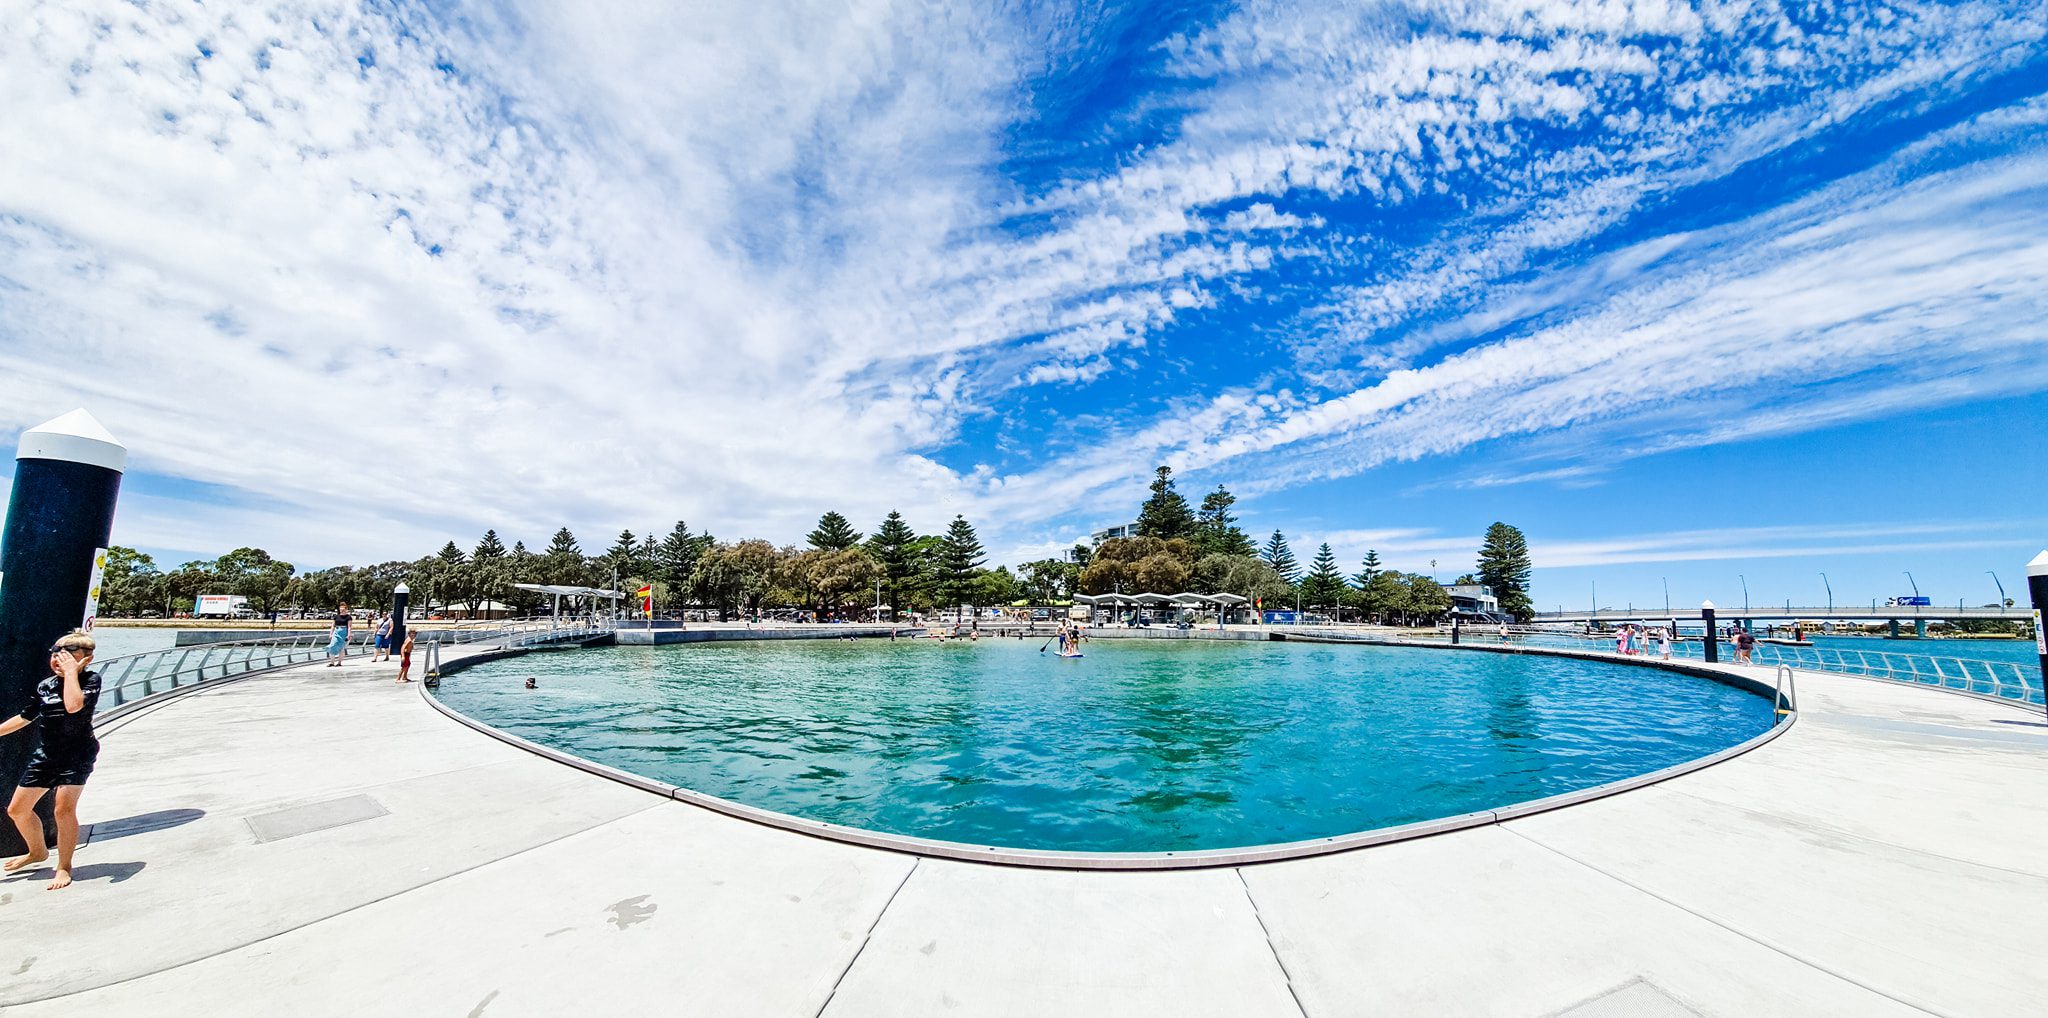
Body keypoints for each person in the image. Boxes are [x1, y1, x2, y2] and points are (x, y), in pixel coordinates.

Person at [1, 631, 103, 891]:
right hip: (47, 754)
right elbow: (26, 717)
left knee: (63, 809)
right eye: (56, 656)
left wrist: (71, 674)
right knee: (17, 810)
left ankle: (64, 866)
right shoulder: (45, 685)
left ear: (86, 660)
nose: (60, 661)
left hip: (77, 754)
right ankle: (37, 852)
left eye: (68, 656)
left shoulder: (90, 680)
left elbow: (73, 705)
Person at [325, 603, 351, 667]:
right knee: (332, 646)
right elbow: (333, 626)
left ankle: (339, 662)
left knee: (341, 648)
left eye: (343, 610)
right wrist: (330, 634)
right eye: (340, 609)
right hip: (336, 632)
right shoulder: (336, 616)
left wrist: (348, 635)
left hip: (343, 632)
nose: (341, 611)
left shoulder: (348, 617)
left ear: (346, 610)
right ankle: (332, 662)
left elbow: (349, 626)